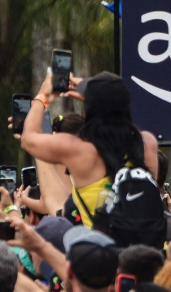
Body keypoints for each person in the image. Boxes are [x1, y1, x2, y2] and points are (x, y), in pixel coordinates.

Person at [19, 71, 162, 244]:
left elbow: (28, 139)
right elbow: (121, 122)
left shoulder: (80, 150)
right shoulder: (147, 143)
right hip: (152, 256)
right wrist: (104, 101)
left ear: (87, 110)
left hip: (107, 259)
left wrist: (43, 97)